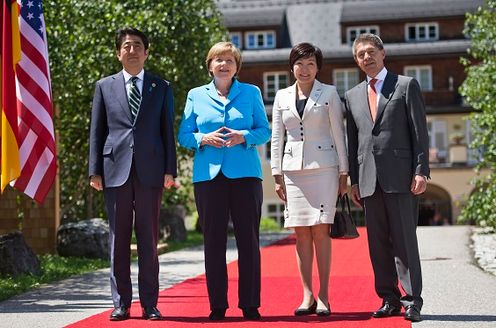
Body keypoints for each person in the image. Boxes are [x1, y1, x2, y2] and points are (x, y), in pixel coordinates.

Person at [88, 27, 177, 321]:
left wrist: (170, 169)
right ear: (118, 53)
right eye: (126, 46)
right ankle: (121, 303)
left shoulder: (160, 86)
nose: (132, 50)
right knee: (118, 239)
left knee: (149, 240)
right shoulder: (104, 86)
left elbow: (167, 130)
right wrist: (94, 171)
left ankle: (150, 303)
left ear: (146, 52)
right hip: (114, 170)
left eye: (137, 45)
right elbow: (97, 131)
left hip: (151, 171)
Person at [177, 41, 270, 321]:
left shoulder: (251, 92)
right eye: (218, 60)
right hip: (208, 177)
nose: (224, 65)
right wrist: (202, 138)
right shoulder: (196, 95)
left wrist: (245, 136)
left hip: (245, 175)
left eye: (229, 60)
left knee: (249, 241)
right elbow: (184, 134)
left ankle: (250, 304)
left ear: (236, 66)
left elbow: (264, 131)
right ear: (210, 65)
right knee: (213, 242)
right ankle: (218, 305)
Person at [345, 33, 430, 322]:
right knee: (377, 242)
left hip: (401, 176)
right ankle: (388, 298)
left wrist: (421, 171)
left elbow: (420, 133)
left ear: (383, 53)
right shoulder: (352, 96)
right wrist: (354, 181)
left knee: (405, 240)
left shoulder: (406, 86)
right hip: (368, 179)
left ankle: (412, 300)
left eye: (371, 52)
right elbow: (352, 141)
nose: (366, 58)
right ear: (356, 61)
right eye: (360, 55)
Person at [270, 43, 348, 317]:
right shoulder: (281, 96)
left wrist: (344, 172)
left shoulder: (329, 93)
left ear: (318, 67)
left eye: (311, 64)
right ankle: (307, 295)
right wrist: (276, 174)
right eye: (300, 64)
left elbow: (339, 133)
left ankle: (324, 295)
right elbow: (277, 136)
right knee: (300, 233)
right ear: (292, 67)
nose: (305, 70)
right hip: (292, 172)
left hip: (325, 168)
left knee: (320, 231)